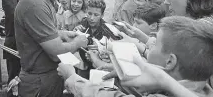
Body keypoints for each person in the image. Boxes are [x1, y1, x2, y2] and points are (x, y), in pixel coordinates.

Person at [57, 16, 213, 97]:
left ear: (170, 61)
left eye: (153, 45)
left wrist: (71, 77)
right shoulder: (200, 87)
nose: (146, 48)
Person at [14, 0, 88, 97]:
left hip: (48, 77)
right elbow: (56, 53)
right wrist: (79, 42)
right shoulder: (35, 3)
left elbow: (38, 33)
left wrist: (61, 34)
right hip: (39, 83)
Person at [1, 0, 39, 97]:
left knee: (30, 82)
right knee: (14, 82)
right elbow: (14, 13)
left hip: (35, 44)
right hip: (16, 43)